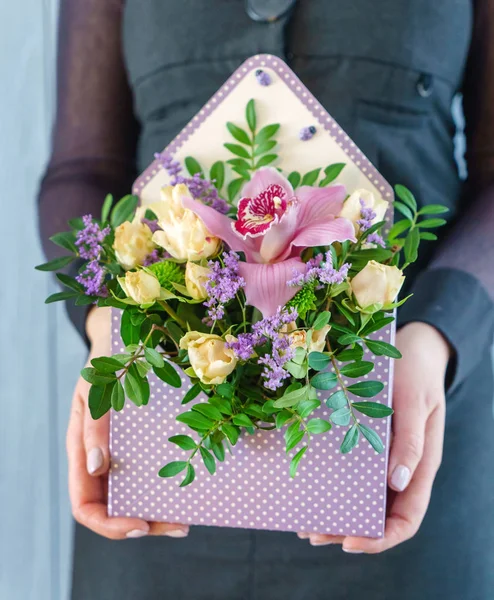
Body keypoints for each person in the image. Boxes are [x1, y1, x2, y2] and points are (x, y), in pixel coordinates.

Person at [38, 1, 494, 598]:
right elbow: (83, 167)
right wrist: (111, 332)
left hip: (393, 439)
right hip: (162, 460)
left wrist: (435, 333)